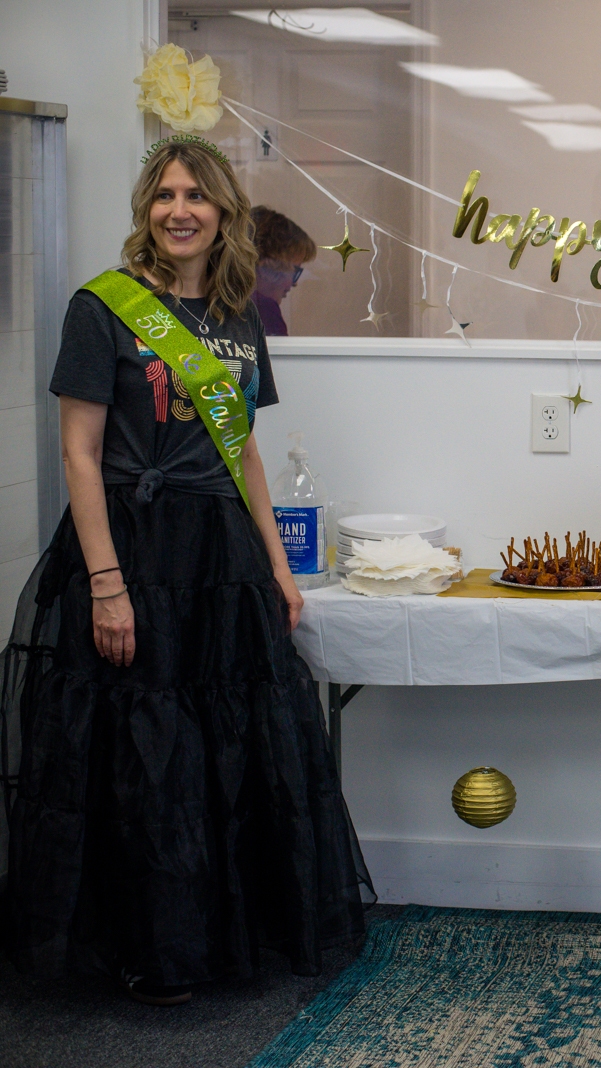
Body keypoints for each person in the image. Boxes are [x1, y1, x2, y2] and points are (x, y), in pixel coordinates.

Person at [1, 137, 370, 1006]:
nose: (180, 210)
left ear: (224, 213)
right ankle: (146, 949)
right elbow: (79, 454)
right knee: (145, 753)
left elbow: (246, 453)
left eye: (197, 196)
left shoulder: (239, 315)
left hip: (221, 557)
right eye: (165, 195)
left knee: (221, 750)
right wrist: (106, 585)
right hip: (130, 549)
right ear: (147, 208)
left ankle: (216, 937)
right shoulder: (103, 307)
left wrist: (278, 567)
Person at [249, 206, 317, 335]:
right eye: (294, 271)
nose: (294, 283)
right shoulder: (264, 309)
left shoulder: (218, 304)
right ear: (267, 268)